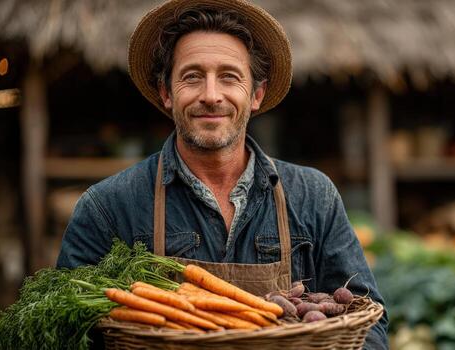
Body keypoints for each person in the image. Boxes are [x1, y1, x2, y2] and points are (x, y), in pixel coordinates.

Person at [56, 0, 388, 348]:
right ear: (166, 93)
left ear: (255, 95)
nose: (211, 96)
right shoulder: (108, 208)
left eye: (229, 77)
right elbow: (67, 333)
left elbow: (371, 327)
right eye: (192, 77)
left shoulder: (312, 196)